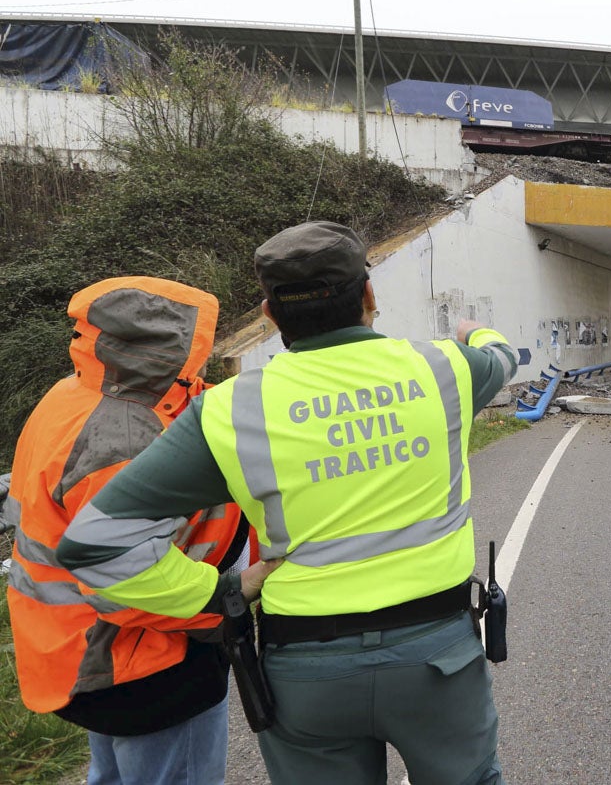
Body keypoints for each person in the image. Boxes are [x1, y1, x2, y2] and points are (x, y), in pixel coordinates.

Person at [58, 221, 519, 785]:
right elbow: (503, 357)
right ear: (369, 297)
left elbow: (93, 543)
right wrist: (476, 332)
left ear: (269, 315)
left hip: (305, 676)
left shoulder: (229, 411)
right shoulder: (444, 369)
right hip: (438, 663)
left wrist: (217, 592)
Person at [6, 276, 247, 785]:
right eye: (196, 347)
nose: (204, 359)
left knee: (115, 775)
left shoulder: (74, 394)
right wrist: (225, 602)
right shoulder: (124, 441)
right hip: (144, 658)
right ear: (167, 353)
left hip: (79, 646)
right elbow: (128, 580)